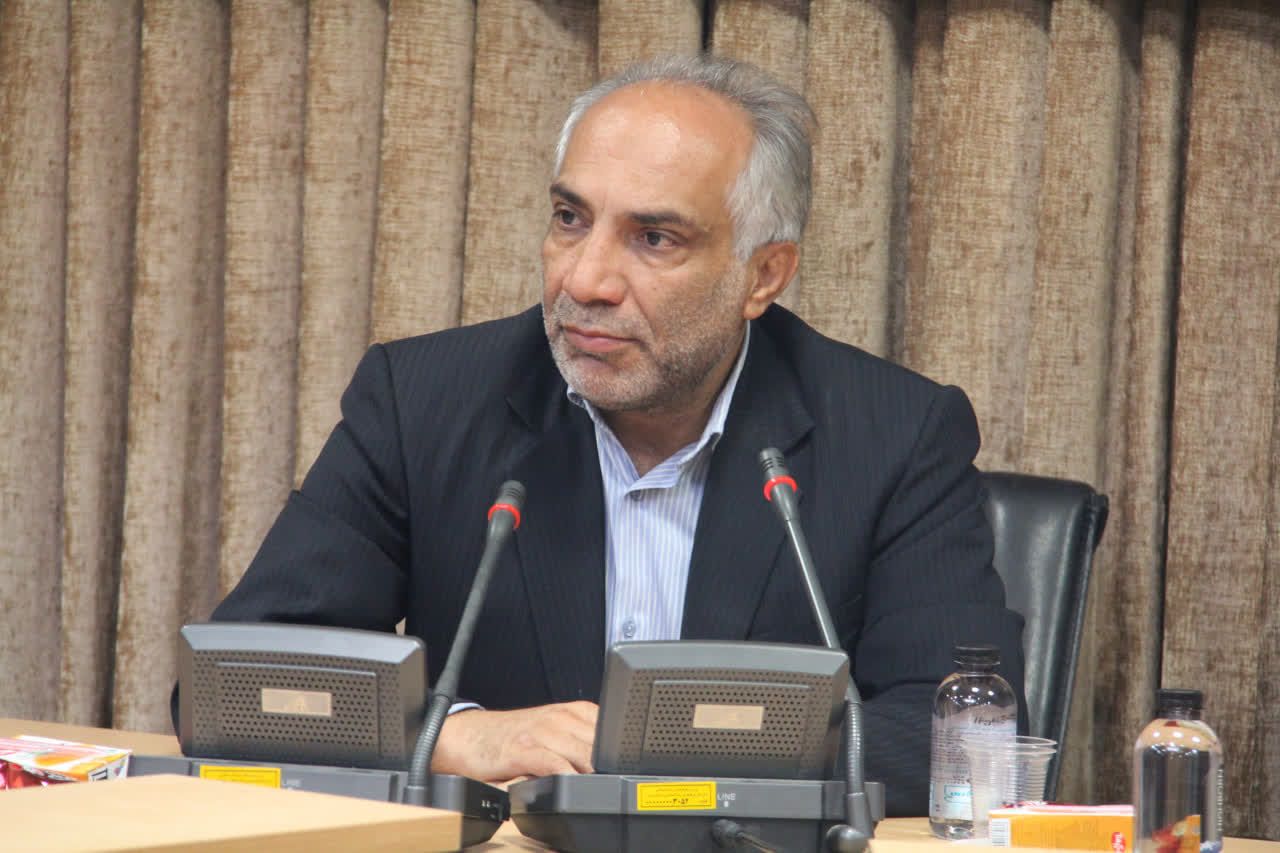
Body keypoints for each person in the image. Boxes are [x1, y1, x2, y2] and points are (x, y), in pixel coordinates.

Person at [201, 53, 1025, 816]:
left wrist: (657, 757)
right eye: (570, 218)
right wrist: (455, 734)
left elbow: (961, 732)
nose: (586, 279)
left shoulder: (894, 433)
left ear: (763, 274)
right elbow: (233, 686)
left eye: (653, 238)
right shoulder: (423, 402)